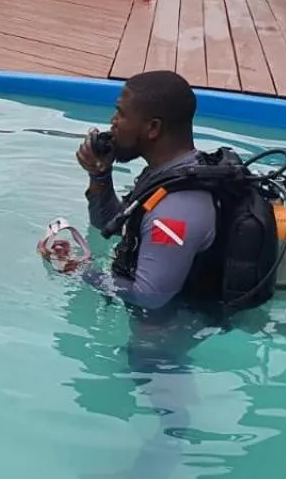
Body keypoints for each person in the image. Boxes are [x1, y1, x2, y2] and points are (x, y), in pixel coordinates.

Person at [73, 70, 220, 318]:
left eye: (121, 113)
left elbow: (150, 297)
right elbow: (110, 225)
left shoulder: (174, 212)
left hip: (171, 333)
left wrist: (81, 271)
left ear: (153, 128)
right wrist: (100, 176)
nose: (113, 121)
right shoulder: (168, 173)